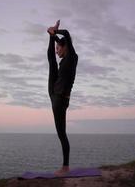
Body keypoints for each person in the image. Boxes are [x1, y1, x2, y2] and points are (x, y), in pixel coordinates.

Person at [46, 20, 78, 176]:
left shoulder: (72, 57)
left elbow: (66, 36)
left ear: (66, 47)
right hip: (53, 94)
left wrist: (57, 31)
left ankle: (65, 167)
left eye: (59, 48)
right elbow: (52, 56)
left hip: (61, 98)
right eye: (56, 48)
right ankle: (65, 166)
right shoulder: (63, 59)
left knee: (61, 133)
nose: (57, 51)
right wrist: (52, 36)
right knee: (51, 61)